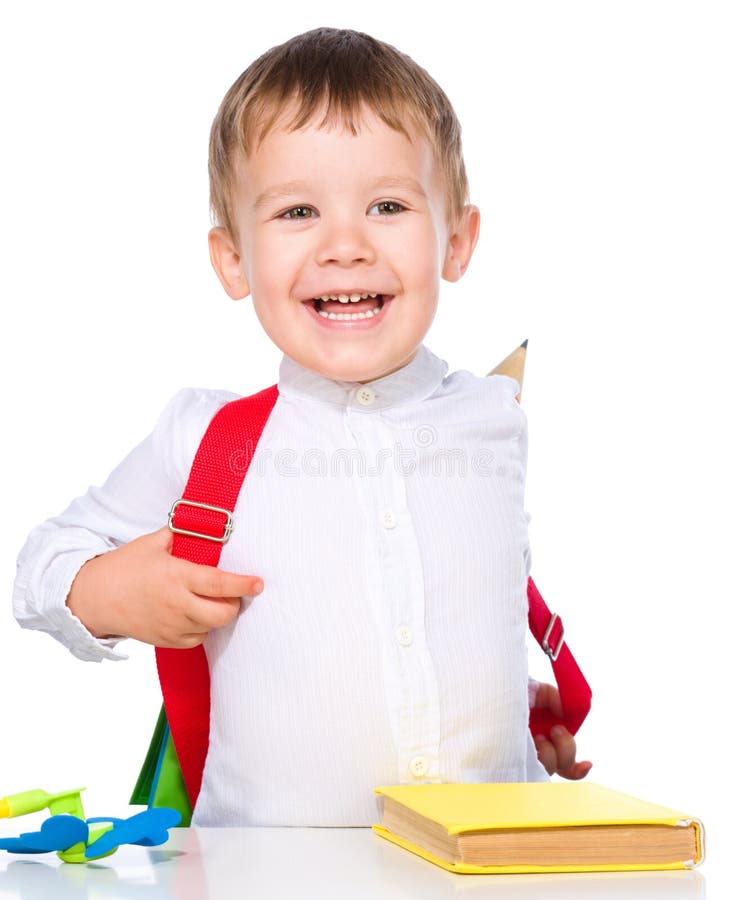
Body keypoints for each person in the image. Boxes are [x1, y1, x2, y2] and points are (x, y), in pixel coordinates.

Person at [12, 27, 591, 826]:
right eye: (297, 211)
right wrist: (106, 592)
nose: (345, 246)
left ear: (455, 241)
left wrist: (510, 709)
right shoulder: (207, 439)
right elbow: (41, 561)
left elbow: (444, 608)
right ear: (233, 261)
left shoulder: (494, 418)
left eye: (387, 206)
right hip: (267, 873)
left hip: (485, 863)